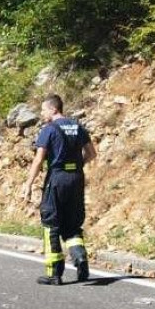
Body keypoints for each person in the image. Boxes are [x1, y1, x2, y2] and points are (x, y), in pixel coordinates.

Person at [21, 94, 98, 285]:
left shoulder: (49, 129)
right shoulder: (77, 126)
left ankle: (54, 273)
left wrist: (28, 184)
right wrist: (77, 165)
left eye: (43, 110)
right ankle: (80, 258)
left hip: (57, 178)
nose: (41, 113)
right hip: (76, 178)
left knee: (51, 223)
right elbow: (91, 153)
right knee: (72, 224)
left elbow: (39, 159)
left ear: (53, 109)